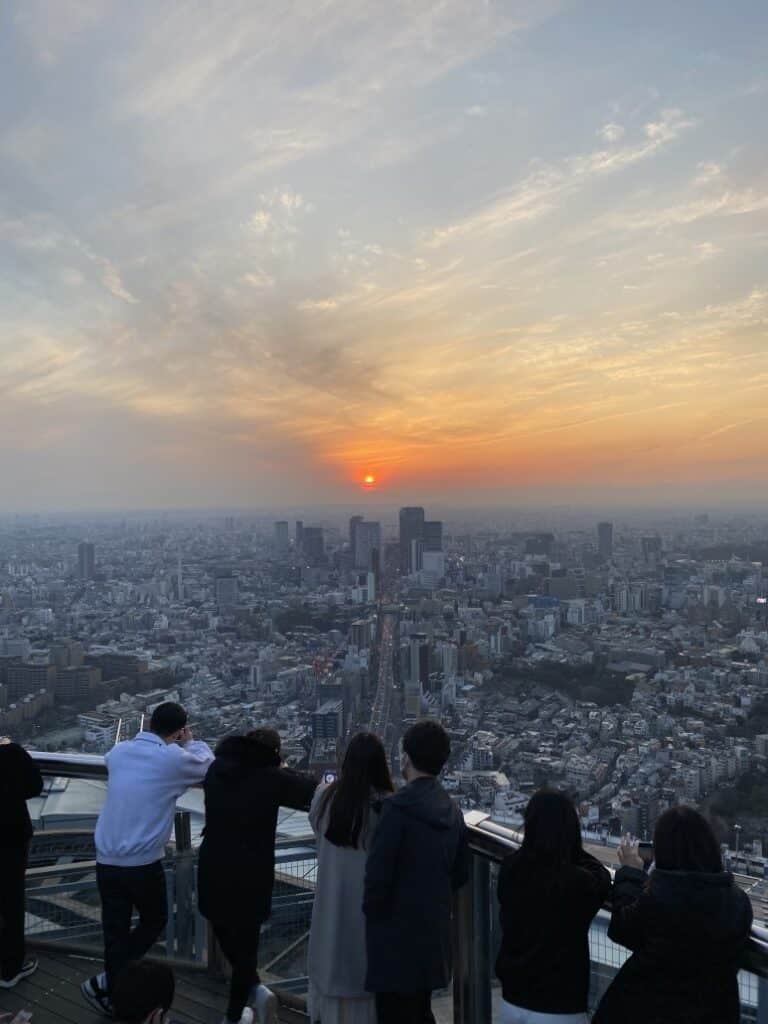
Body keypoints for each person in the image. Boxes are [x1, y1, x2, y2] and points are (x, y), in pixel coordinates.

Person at [81, 702, 214, 1015]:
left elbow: (113, 760)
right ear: (179, 730)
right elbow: (207, 765)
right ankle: (109, 983)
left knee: (114, 929)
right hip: (141, 861)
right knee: (154, 919)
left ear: (151, 723)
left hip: (106, 857)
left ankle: (112, 989)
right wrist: (191, 741)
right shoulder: (171, 759)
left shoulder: (120, 752)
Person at [198, 727, 317, 1024]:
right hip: (249, 872)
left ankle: (256, 992)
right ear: (274, 755)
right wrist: (283, 769)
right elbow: (312, 788)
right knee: (247, 946)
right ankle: (234, 1015)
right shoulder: (271, 778)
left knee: (222, 927)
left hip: (213, 862)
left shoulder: (216, 768)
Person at [593, 806, 753, 1024]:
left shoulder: (660, 897)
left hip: (647, 1011)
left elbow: (623, 928)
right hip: (714, 1013)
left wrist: (631, 872)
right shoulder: (738, 903)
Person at [364, 719, 469, 1024]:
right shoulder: (452, 811)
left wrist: (374, 920)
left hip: (394, 940)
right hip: (433, 936)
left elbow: (377, 879)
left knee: (394, 1014)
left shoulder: (396, 810)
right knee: (419, 1011)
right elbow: (460, 874)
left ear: (406, 757)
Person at [495, 788, 611, 1024]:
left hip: (512, 1000)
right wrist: (572, 848)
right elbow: (602, 877)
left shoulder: (510, 868)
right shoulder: (578, 882)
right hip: (559, 1007)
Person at [308, 732, 394, 1024]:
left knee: (330, 968)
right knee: (361, 977)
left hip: (328, 909)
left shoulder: (324, 798)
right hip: (367, 914)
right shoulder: (385, 809)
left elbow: (315, 825)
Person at [0, 737, 43, 989]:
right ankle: (10, 968)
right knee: (11, 900)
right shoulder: (12, 753)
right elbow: (34, 786)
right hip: (11, 836)